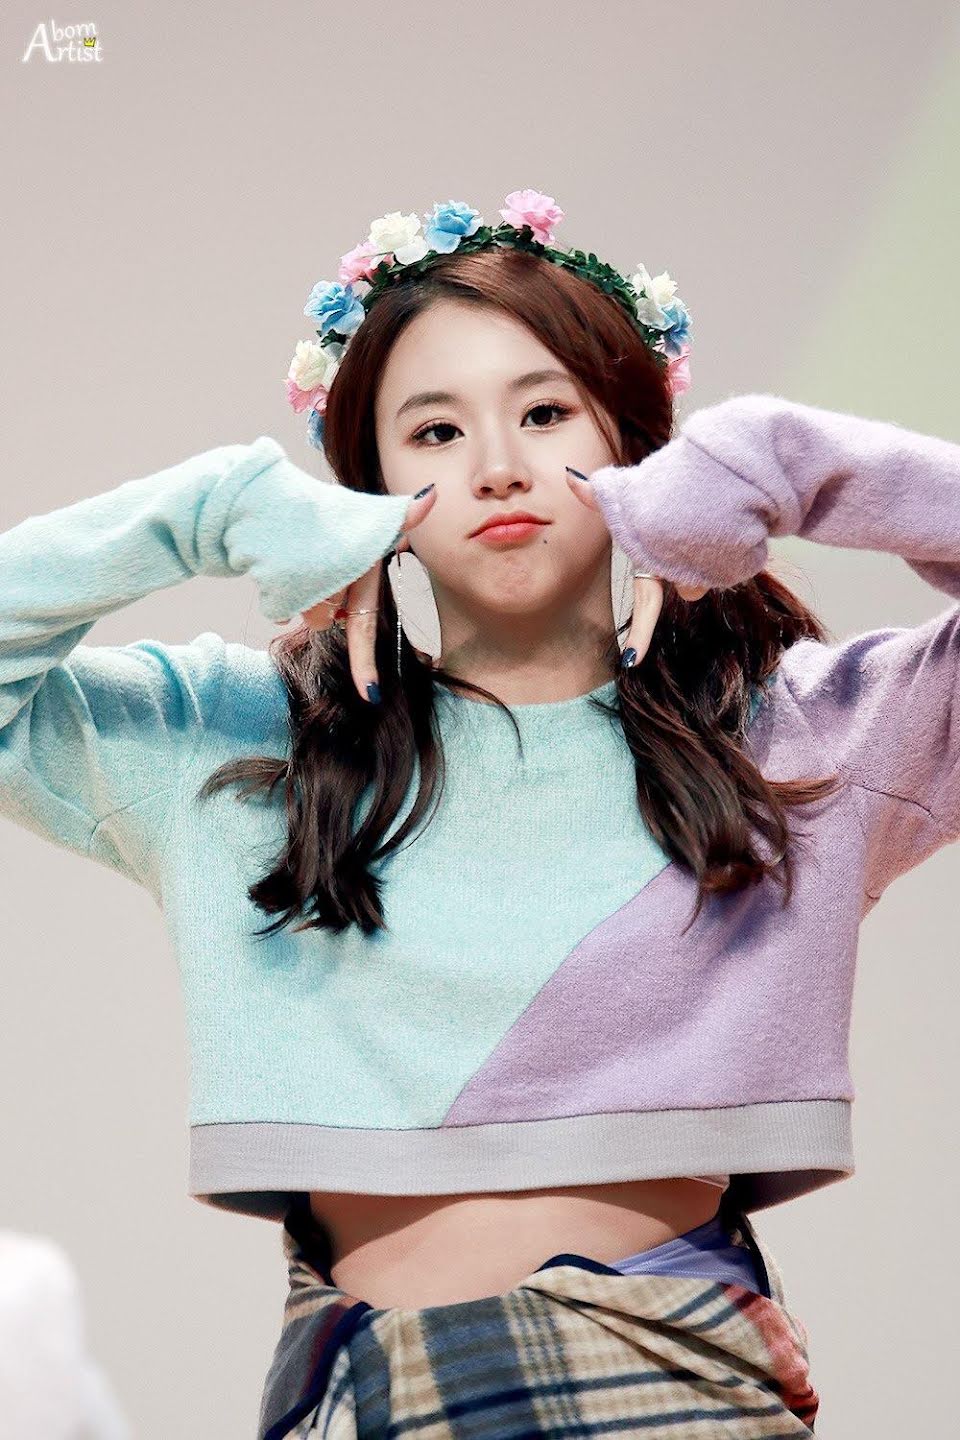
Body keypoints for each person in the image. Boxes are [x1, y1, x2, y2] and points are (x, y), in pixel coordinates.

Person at [1, 188, 957, 1437]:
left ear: (638, 446)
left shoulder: (800, 738)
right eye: (435, 431)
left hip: (673, 1394)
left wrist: (788, 464)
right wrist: (211, 510)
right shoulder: (236, 745)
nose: (497, 466)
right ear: (366, 484)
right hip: (357, 1390)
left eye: (546, 413)